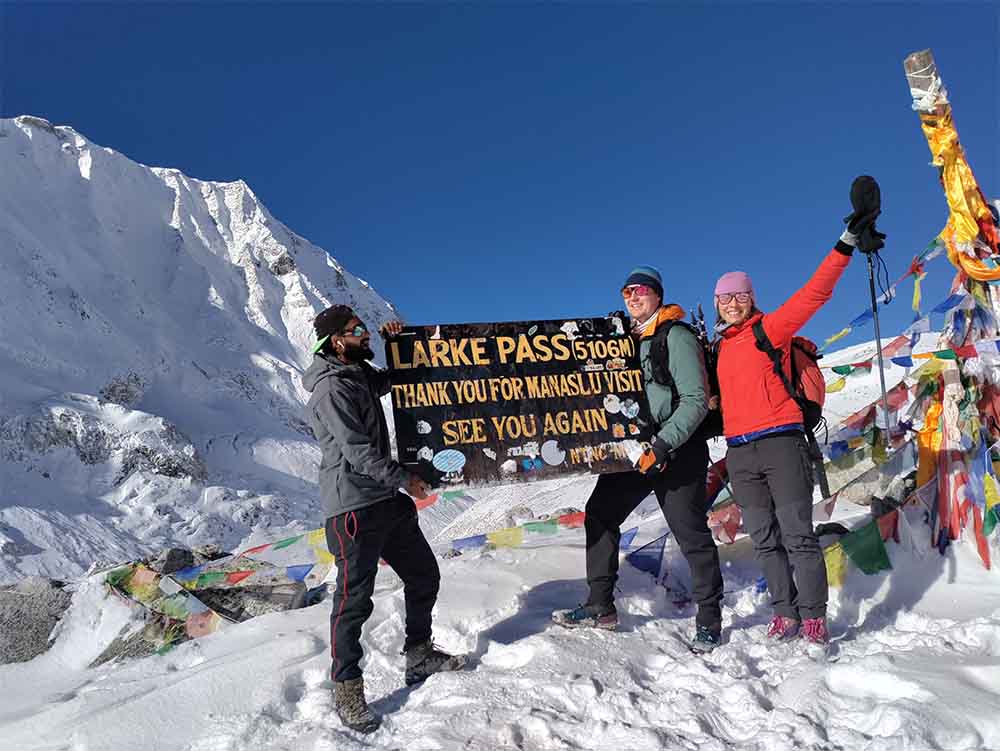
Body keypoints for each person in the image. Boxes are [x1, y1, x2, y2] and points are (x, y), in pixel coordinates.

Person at [713, 178, 882, 645]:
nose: (732, 304)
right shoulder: (717, 350)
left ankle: (813, 617)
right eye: (725, 298)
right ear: (716, 303)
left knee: (797, 535)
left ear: (751, 298)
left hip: (781, 445)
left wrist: (845, 243)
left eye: (740, 296)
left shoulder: (771, 329)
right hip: (739, 454)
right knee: (764, 539)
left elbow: (815, 293)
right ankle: (784, 613)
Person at [303, 304, 465, 734]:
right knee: (353, 601)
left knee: (424, 574)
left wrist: (398, 342)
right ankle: (347, 688)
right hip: (354, 508)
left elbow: (393, 379)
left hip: (385, 502)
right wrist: (404, 479)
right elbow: (358, 452)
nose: (365, 335)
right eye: (357, 330)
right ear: (337, 341)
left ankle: (419, 654)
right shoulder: (331, 390)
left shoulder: (356, 374)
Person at [552, 266, 725, 653]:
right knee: (600, 513)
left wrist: (662, 446)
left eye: (641, 290)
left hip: (676, 449)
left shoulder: (676, 336)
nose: (633, 297)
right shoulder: (625, 341)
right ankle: (600, 605)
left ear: (658, 295)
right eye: (627, 291)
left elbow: (695, 400)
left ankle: (710, 619)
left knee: (689, 531)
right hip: (635, 451)